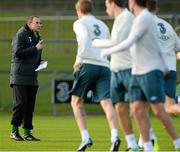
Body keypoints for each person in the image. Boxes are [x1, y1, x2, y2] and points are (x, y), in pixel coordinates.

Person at [100, 0, 180, 151]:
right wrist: (165, 63)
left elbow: (129, 41)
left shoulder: (143, 18)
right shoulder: (157, 23)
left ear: (134, 3)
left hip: (150, 71)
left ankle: (177, 143)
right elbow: (161, 47)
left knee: (160, 110)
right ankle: (146, 146)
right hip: (138, 71)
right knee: (137, 110)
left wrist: (106, 50)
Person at [70, 0, 120, 151]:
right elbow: (111, 43)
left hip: (87, 63)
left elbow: (85, 39)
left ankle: (85, 138)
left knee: (76, 102)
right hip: (104, 66)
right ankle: (115, 136)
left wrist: (78, 61)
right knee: (107, 103)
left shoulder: (79, 23)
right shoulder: (103, 25)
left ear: (78, 11)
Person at [92, 0, 139, 151]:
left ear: (113, 3)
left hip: (129, 69)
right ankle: (132, 145)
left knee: (137, 109)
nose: (106, 10)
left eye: (106, 6)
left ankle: (147, 141)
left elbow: (117, 42)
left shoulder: (127, 17)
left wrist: (97, 43)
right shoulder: (119, 19)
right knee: (120, 108)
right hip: (116, 70)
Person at [10, 16, 43, 141]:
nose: (40, 25)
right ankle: (14, 131)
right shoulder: (21, 34)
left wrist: (40, 61)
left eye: (41, 23)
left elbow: (34, 55)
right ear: (29, 23)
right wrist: (35, 48)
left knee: (29, 106)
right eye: (37, 22)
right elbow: (18, 53)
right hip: (20, 76)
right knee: (21, 104)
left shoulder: (36, 36)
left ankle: (27, 133)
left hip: (32, 76)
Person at [147, 0, 180, 115]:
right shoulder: (167, 26)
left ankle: (143, 133)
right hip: (171, 70)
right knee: (168, 107)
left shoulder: (143, 23)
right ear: (156, 9)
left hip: (155, 69)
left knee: (141, 105)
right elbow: (178, 47)